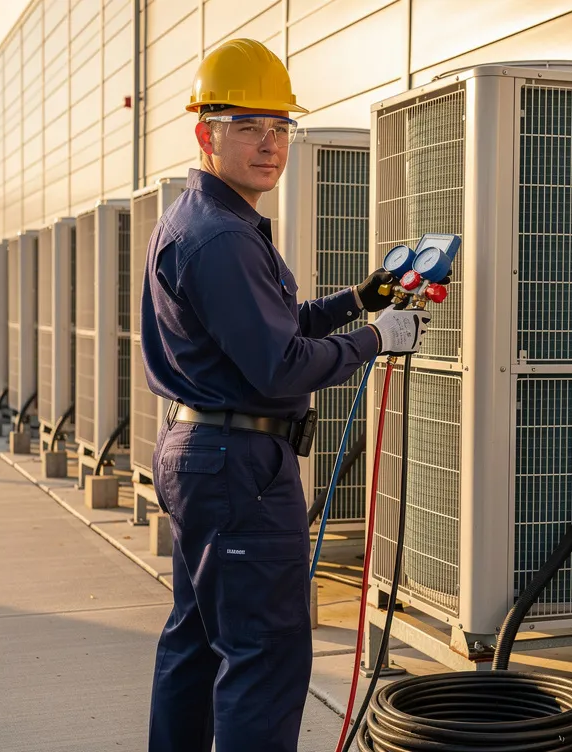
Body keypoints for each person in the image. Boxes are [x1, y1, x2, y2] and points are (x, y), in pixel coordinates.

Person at [139, 38, 431, 752]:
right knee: (265, 659)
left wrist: (359, 301)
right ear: (207, 133)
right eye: (249, 127)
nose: (271, 145)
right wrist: (379, 338)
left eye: (281, 128)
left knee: (198, 643)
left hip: (204, 454)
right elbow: (278, 367)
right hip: (238, 466)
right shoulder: (221, 240)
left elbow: (273, 329)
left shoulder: (211, 223)